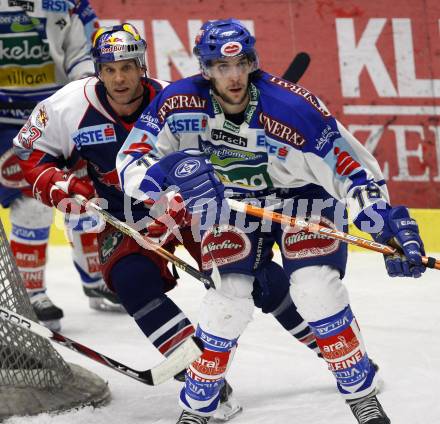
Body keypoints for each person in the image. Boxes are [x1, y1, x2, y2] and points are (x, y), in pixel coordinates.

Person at [12, 22, 348, 421]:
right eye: (109, 69)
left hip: (193, 207)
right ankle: (201, 375)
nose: (119, 78)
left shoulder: (176, 101)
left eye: (128, 67)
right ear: (98, 71)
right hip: (123, 214)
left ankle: (334, 350)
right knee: (130, 280)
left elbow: (226, 153)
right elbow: (29, 156)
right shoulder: (68, 106)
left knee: (255, 278)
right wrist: (55, 182)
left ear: (142, 66)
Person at [115, 18, 427, 424]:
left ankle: (361, 393)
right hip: (234, 204)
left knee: (316, 290)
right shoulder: (178, 103)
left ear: (252, 62)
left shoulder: (294, 110)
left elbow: (354, 171)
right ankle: (198, 408)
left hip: (306, 199)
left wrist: (380, 218)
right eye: (221, 67)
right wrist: (172, 173)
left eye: (241, 64)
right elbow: (131, 160)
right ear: (205, 69)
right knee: (228, 298)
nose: (233, 76)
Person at [0, 0, 122, 332]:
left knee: (84, 192)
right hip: (4, 120)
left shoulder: (69, 4)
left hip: (53, 112)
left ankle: (97, 279)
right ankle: (30, 293)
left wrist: (80, 95)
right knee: (31, 205)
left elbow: (83, 53)